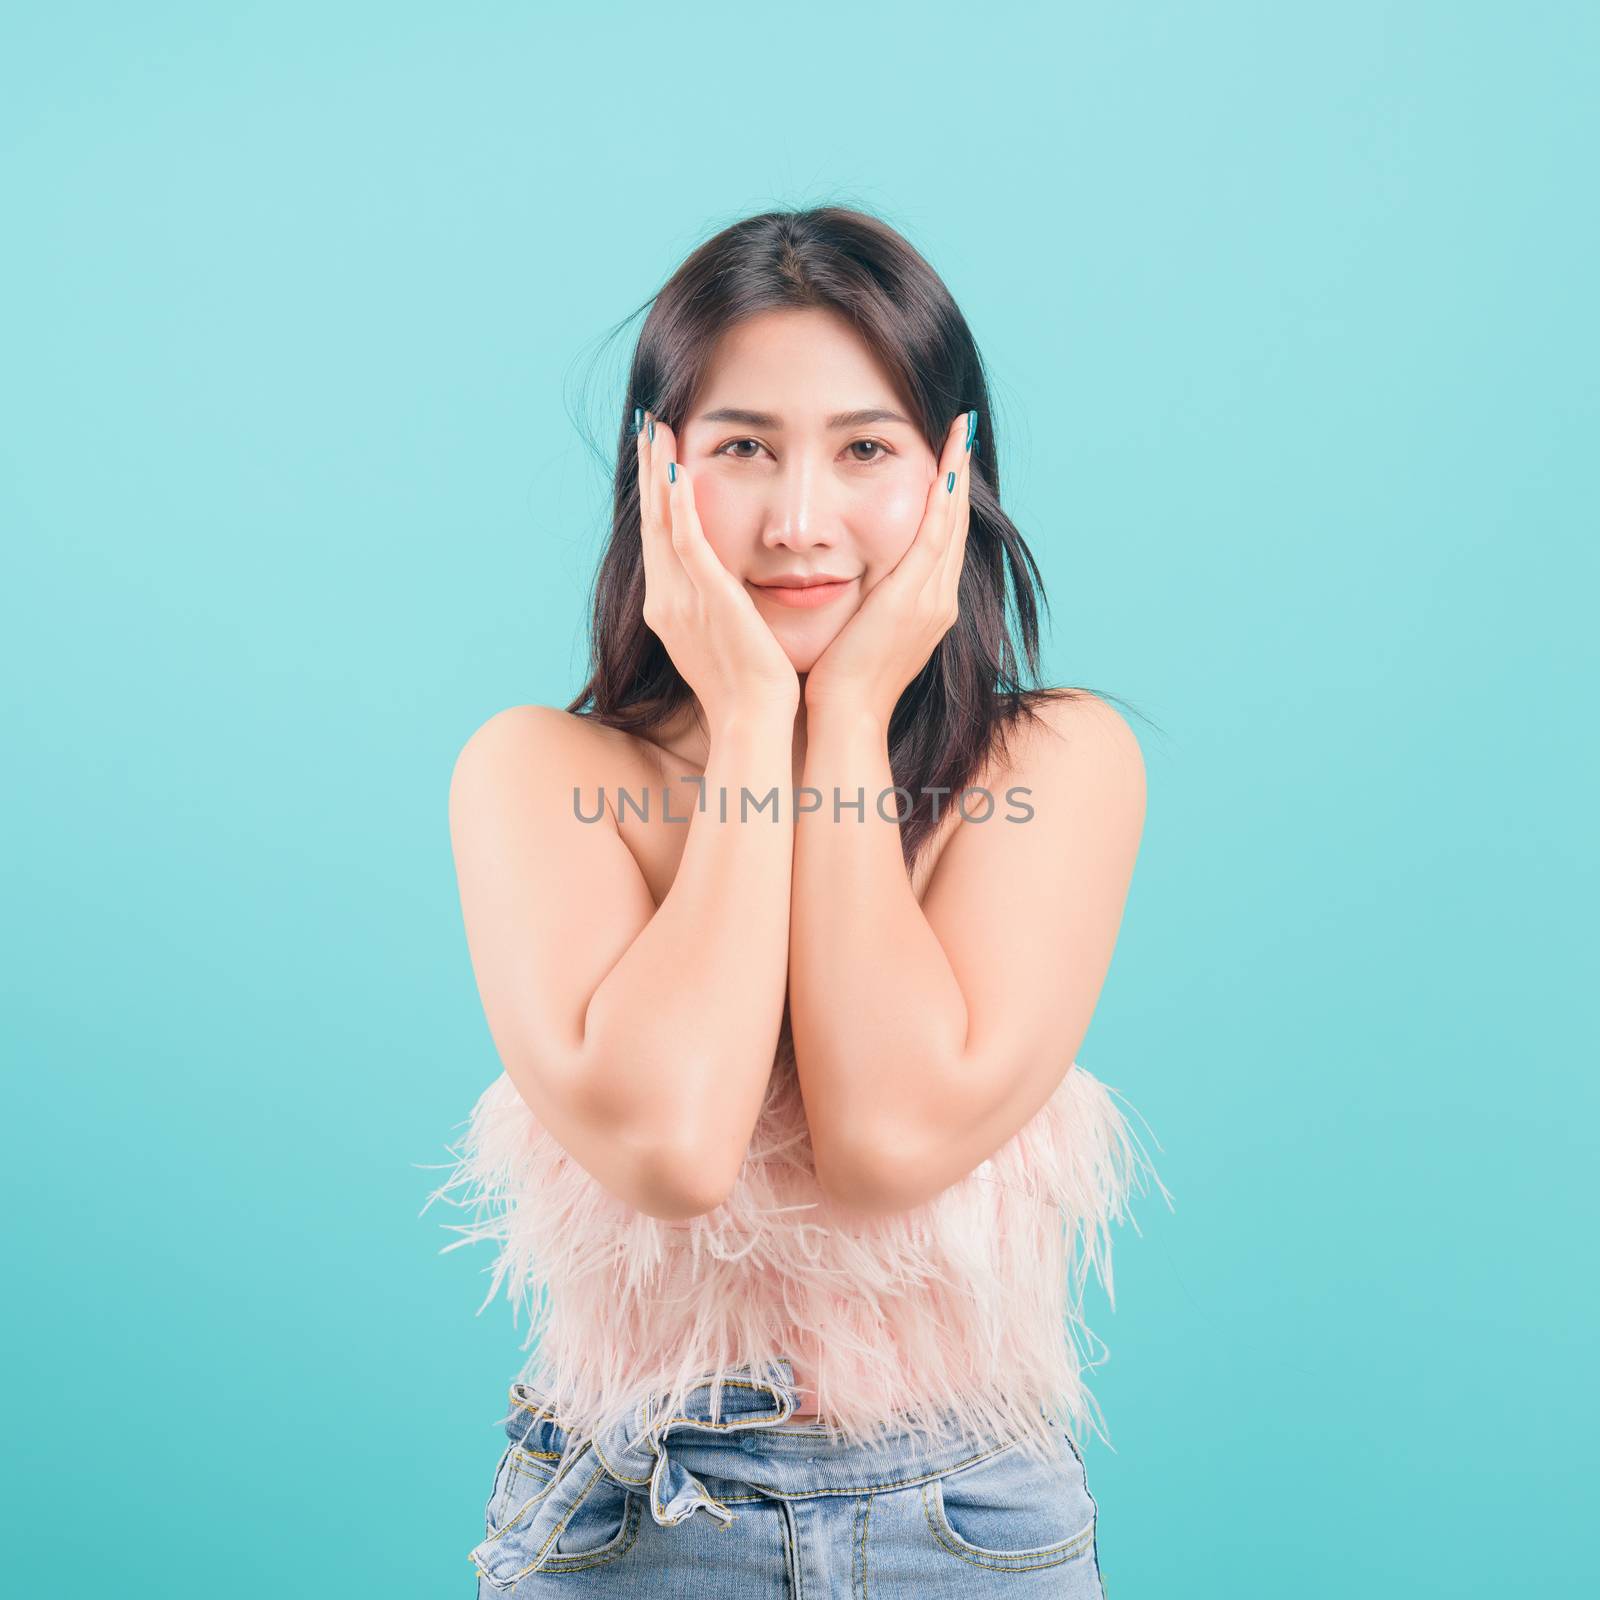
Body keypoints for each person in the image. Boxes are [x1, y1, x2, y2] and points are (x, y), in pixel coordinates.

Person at [425, 205, 1166, 1597]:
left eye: (867, 450)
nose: (801, 520)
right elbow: (677, 1149)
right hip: (636, 1520)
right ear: (659, 476)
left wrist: (854, 710)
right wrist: (759, 711)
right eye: (744, 448)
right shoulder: (536, 772)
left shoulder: (1058, 762)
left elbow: (885, 1138)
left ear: (955, 476)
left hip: (971, 1524)